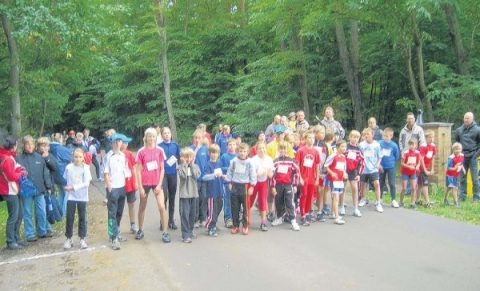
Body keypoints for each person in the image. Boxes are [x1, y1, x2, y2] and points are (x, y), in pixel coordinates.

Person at [135, 127, 171, 243]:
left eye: (153, 136)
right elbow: (138, 171)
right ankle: (140, 229)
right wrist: (140, 187)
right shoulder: (141, 152)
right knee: (142, 206)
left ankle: (165, 232)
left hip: (156, 182)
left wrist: (159, 184)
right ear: (146, 137)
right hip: (145, 183)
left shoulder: (160, 150)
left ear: (156, 138)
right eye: (149, 136)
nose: (151, 138)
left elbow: (162, 169)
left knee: (161, 206)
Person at [16, 135, 53, 242]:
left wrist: (49, 186)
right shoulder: (18, 159)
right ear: (23, 146)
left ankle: (42, 231)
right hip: (26, 191)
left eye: (32, 144)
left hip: (40, 189)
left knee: (41, 211)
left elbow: (45, 173)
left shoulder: (39, 157)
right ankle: (30, 234)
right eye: (27, 144)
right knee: (27, 212)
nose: (30, 146)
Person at [104, 133, 131, 250]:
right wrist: (109, 187)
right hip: (113, 188)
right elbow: (105, 173)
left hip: (122, 187)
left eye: (121, 141)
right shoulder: (108, 156)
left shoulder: (123, 155)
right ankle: (113, 237)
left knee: (119, 212)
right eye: (118, 141)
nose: (120, 143)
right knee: (112, 213)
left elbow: (125, 169)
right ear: (113, 143)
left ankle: (117, 231)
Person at [0, 136, 27, 250]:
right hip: (9, 190)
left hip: (13, 189)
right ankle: (11, 241)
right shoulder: (7, 159)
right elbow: (11, 177)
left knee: (19, 214)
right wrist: (21, 173)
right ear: (14, 146)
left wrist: (18, 170)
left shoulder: (8, 157)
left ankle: (16, 237)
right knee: (14, 216)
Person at [63, 148, 92, 250]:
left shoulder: (86, 168)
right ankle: (69, 238)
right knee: (70, 217)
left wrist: (74, 188)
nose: (78, 159)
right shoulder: (68, 168)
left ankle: (82, 238)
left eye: (80, 157)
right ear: (73, 157)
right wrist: (68, 188)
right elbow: (66, 180)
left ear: (83, 157)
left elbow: (86, 183)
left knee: (82, 217)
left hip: (82, 197)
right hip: (71, 196)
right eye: (76, 157)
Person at [226, 143, 257, 235]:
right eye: (240, 151)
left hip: (245, 186)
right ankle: (235, 225)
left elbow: (253, 174)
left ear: (247, 152)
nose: (242, 153)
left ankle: (245, 225)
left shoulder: (250, 162)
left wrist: (252, 186)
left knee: (246, 208)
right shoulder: (234, 161)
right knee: (235, 207)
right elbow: (230, 172)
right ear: (238, 151)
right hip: (235, 185)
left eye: (244, 151)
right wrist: (229, 182)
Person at [271, 141, 301, 231]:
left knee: (290, 202)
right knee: (278, 201)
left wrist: (295, 185)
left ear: (288, 150)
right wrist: (273, 186)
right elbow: (272, 175)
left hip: (288, 185)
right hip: (278, 185)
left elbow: (296, 173)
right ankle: (279, 217)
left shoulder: (292, 162)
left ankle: (293, 220)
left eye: (285, 148)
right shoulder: (275, 162)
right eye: (281, 148)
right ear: (278, 150)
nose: (283, 150)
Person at [295, 131, 320, 226]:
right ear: (305, 139)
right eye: (309, 138)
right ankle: (302, 215)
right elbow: (297, 165)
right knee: (304, 195)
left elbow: (317, 165)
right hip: (303, 177)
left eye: (313, 138)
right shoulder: (301, 151)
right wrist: (300, 177)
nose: (311, 140)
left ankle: (307, 212)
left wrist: (317, 178)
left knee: (310, 195)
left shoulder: (315, 151)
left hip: (311, 178)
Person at [177, 147, 201, 243]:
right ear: (182, 158)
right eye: (186, 157)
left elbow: (196, 175)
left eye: (190, 157)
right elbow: (183, 176)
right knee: (185, 214)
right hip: (184, 195)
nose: (188, 159)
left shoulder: (195, 166)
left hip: (193, 194)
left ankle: (190, 231)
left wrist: (192, 165)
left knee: (192, 214)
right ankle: (185, 234)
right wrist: (185, 164)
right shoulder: (180, 167)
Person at [455, 112, 480, 202]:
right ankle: (462, 196)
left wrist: (476, 155)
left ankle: (476, 197)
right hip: (462, 157)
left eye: (468, 118)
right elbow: (457, 143)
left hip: (473, 156)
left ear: (472, 119)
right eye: (465, 118)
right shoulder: (459, 130)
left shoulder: (478, 130)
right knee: (462, 177)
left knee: (475, 178)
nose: (466, 120)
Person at [249, 141, 274, 231]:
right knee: (249, 201)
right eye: (260, 148)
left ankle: (263, 222)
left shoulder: (269, 160)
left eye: (263, 148)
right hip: (253, 183)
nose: (262, 150)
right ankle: (247, 220)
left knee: (263, 201)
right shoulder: (253, 160)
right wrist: (258, 174)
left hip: (263, 182)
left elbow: (271, 174)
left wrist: (266, 172)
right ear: (256, 150)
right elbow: (251, 174)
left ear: (266, 149)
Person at [159, 127, 181, 230]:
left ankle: (171, 220)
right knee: (164, 197)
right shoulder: (159, 147)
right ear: (162, 135)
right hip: (163, 175)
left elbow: (179, 158)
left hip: (172, 173)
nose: (167, 135)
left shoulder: (175, 145)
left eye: (168, 133)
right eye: (165, 133)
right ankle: (163, 220)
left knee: (172, 197)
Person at [358, 128, 384, 213]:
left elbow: (380, 156)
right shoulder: (361, 145)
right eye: (365, 134)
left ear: (372, 135)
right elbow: (359, 155)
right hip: (364, 168)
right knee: (363, 184)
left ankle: (378, 202)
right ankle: (363, 198)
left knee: (376, 183)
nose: (366, 136)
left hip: (373, 168)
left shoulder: (376, 145)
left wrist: (378, 164)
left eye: (368, 134)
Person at [36, 137, 59, 234]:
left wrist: (47, 158)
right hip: (40, 186)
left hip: (49, 185)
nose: (43, 148)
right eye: (41, 146)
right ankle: (41, 228)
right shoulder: (36, 156)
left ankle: (48, 227)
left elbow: (55, 167)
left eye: (45, 146)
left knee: (49, 207)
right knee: (41, 209)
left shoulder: (50, 156)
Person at [202, 144, 224, 237]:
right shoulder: (208, 165)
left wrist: (224, 177)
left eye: (216, 153)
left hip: (219, 190)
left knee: (219, 207)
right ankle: (211, 227)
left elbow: (221, 175)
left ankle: (213, 223)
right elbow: (204, 177)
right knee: (212, 211)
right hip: (211, 191)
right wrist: (213, 175)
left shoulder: (219, 164)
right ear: (209, 153)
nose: (214, 155)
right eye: (212, 153)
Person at [324, 140, 348, 225]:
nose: (344, 148)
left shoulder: (344, 157)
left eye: (345, 146)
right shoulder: (333, 156)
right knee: (336, 198)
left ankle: (333, 213)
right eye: (342, 146)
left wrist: (344, 173)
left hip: (340, 179)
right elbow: (326, 166)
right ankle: (337, 217)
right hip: (334, 180)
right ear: (337, 147)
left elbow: (344, 167)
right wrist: (332, 173)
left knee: (336, 197)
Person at [50, 133, 73, 217]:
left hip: (53, 175)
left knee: (61, 194)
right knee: (66, 194)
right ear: (60, 139)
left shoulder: (49, 148)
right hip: (62, 174)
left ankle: (59, 212)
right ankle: (63, 213)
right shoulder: (61, 149)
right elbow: (71, 158)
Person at [190, 130, 209, 228]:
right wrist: (196, 149)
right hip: (195, 179)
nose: (197, 140)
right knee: (195, 199)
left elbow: (209, 162)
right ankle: (195, 219)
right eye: (196, 138)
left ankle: (203, 218)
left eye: (199, 138)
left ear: (202, 139)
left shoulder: (206, 149)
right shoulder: (191, 149)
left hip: (204, 178)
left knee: (204, 198)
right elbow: (191, 160)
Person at [379, 128, 401, 208]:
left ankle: (393, 200)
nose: (385, 137)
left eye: (387, 136)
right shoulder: (380, 143)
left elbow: (397, 156)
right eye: (384, 136)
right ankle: (379, 199)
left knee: (392, 183)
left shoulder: (394, 145)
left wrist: (392, 162)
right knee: (380, 182)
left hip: (391, 166)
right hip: (381, 166)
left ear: (391, 136)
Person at [121, 137, 139, 234]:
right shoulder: (115, 155)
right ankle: (117, 225)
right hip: (120, 183)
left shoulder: (129, 154)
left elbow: (133, 168)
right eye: (124, 142)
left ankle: (133, 224)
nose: (125, 144)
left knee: (131, 204)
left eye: (126, 143)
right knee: (119, 205)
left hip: (130, 182)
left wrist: (136, 182)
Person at [345, 130, 364, 217]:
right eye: (354, 137)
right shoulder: (345, 147)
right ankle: (341, 206)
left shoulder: (359, 149)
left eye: (357, 138)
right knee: (343, 188)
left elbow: (362, 162)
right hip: (344, 170)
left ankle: (355, 208)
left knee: (355, 189)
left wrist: (359, 174)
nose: (355, 139)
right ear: (350, 137)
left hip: (353, 171)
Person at [399, 139, 422, 209]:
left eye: (413, 145)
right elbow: (402, 163)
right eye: (410, 145)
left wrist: (417, 166)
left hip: (413, 172)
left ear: (416, 145)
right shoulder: (405, 153)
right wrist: (409, 166)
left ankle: (412, 203)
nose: (411, 146)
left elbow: (419, 162)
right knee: (404, 188)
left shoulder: (418, 153)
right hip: (405, 172)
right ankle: (401, 201)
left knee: (413, 188)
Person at [220, 138, 238, 228]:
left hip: (237, 182)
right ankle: (228, 219)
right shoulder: (224, 156)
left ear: (236, 146)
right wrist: (229, 168)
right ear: (227, 146)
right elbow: (221, 167)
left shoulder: (238, 156)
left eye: (233, 144)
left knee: (236, 201)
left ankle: (236, 217)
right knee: (227, 201)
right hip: (227, 182)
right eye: (230, 144)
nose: (232, 146)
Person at [417, 130, 435, 207]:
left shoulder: (433, 146)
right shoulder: (423, 147)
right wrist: (424, 170)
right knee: (425, 184)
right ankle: (427, 201)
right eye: (429, 137)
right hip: (421, 168)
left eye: (432, 137)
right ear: (426, 138)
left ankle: (417, 200)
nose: (431, 139)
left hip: (427, 167)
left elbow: (433, 157)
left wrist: (432, 168)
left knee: (420, 185)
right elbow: (421, 159)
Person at [444, 142, 464, 207]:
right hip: (450, 175)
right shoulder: (451, 158)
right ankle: (455, 202)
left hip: (456, 175)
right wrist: (455, 168)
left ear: (461, 149)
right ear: (453, 150)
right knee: (454, 188)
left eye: (459, 149)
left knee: (450, 187)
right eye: (456, 149)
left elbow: (461, 163)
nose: (457, 151)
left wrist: (463, 168)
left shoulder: (462, 155)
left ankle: (445, 200)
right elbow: (448, 168)